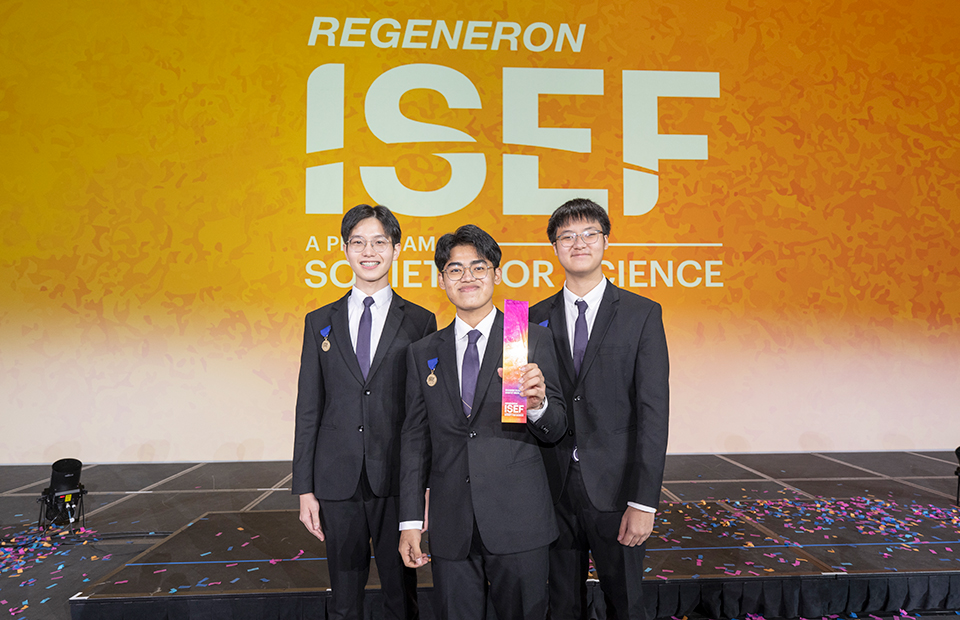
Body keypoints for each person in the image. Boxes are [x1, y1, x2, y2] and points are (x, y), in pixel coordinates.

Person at [398, 224, 567, 620]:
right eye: (455, 270)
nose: (467, 277)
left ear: (496, 274)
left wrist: (538, 403)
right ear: (442, 281)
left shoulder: (525, 336)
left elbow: (556, 427)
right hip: (452, 523)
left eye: (479, 266)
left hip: (519, 520)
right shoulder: (424, 352)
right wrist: (410, 522)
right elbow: (414, 441)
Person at [292, 204, 437, 620]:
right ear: (344, 249)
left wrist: (423, 487)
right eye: (358, 242)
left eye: (379, 242)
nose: (368, 251)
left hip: (395, 479)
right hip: (336, 480)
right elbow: (309, 407)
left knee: (400, 595)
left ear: (396, 248)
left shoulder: (421, 322)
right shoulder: (319, 321)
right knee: (344, 599)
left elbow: (421, 414)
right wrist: (305, 488)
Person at [530, 198, 670, 620]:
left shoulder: (641, 314)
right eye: (567, 236)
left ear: (605, 242)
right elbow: (523, 408)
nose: (579, 243)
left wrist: (644, 503)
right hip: (549, 491)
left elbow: (653, 413)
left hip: (616, 490)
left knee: (626, 603)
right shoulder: (529, 319)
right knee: (560, 606)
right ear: (554, 248)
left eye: (589, 233)